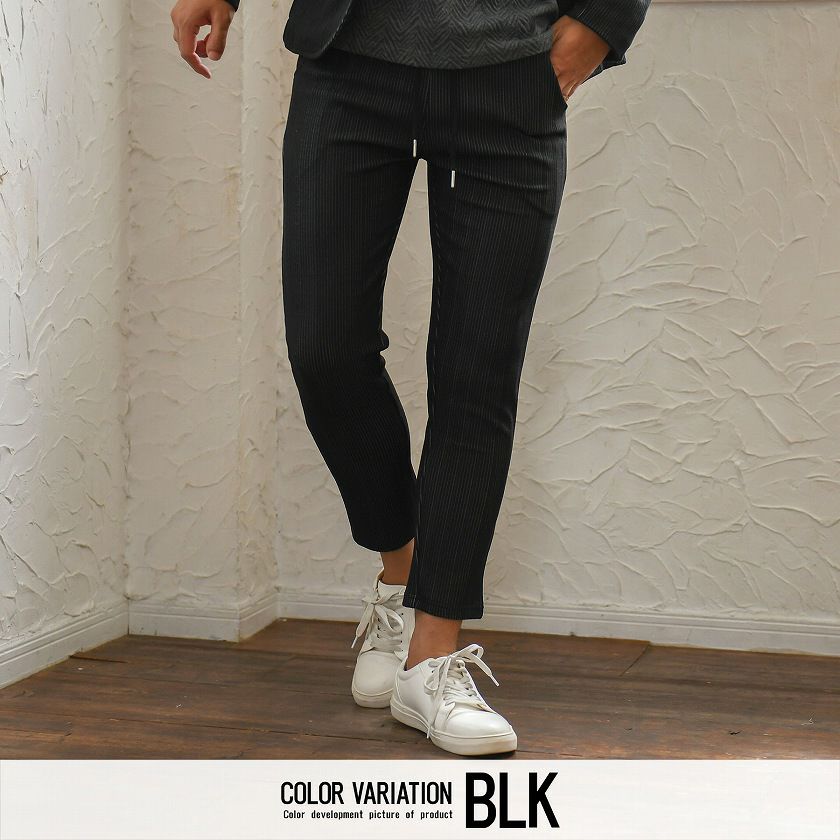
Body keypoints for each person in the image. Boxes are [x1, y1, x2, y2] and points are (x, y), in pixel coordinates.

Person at [170, 0, 651, 756]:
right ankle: (402, 573)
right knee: (325, 351)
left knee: (476, 375)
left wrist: (603, 23)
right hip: (351, 65)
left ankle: (432, 659)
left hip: (508, 72)